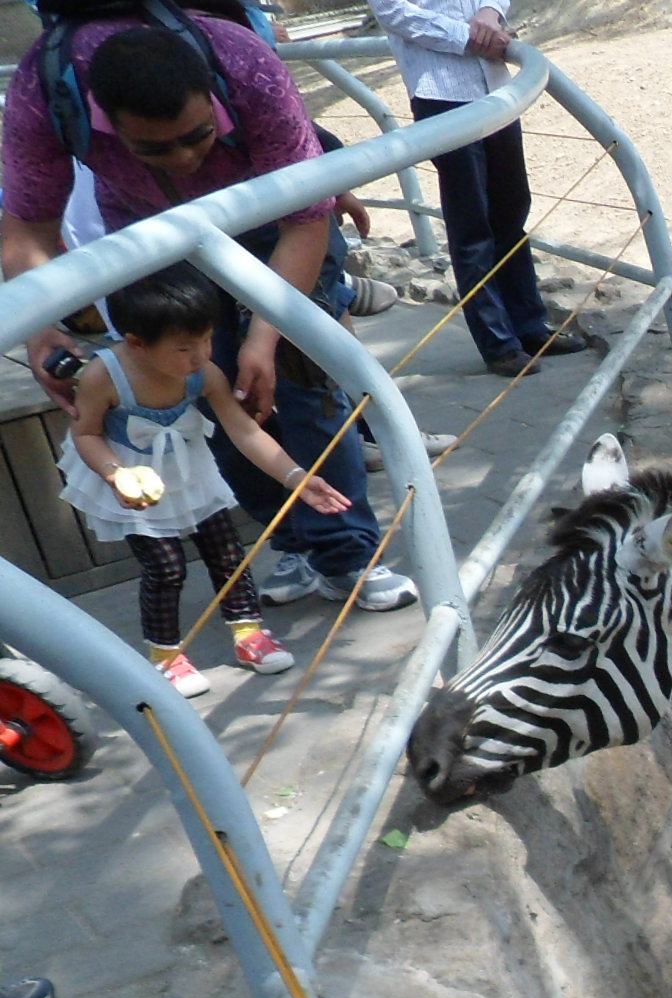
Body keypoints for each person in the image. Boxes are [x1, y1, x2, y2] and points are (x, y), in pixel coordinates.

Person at [0, 17, 418, 612]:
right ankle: (290, 540)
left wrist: (267, 336)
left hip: (273, 222)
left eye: (198, 135)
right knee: (204, 399)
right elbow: (29, 224)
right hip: (157, 239)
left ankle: (348, 555)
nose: (186, 157)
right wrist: (40, 329)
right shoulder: (46, 91)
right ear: (105, 123)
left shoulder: (245, 65)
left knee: (307, 389)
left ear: (213, 96)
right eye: (155, 147)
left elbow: (305, 216)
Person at [60, 262, 344, 695]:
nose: (201, 355)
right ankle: (166, 654)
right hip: (129, 474)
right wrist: (116, 474)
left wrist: (297, 478)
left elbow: (245, 431)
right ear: (136, 343)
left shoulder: (203, 374)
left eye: (207, 339)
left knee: (228, 553)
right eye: (184, 348)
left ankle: (248, 633)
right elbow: (86, 432)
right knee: (166, 568)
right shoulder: (105, 376)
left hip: (188, 468)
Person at [365, 0, 581, 379]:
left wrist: (490, 14)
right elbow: (394, 12)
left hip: (494, 86)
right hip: (441, 90)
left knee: (511, 211)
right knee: (472, 223)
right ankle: (498, 343)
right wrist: (466, 36)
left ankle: (530, 326)